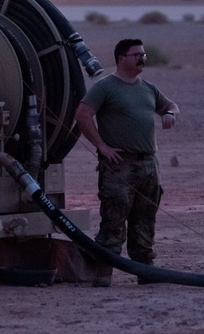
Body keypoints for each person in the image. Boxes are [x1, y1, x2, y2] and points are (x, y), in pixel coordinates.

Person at [74, 38, 180, 285]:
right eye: (137, 55)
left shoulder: (148, 88)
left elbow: (171, 105)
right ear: (122, 58)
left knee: (145, 220)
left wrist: (171, 114)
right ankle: (103, 274)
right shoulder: (105, 87)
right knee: (113, 221)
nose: (142, 58)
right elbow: (82, 114)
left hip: (148, 166)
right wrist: (101, 146)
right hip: (120, 167)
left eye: (144, 54)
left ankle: (145, 271)